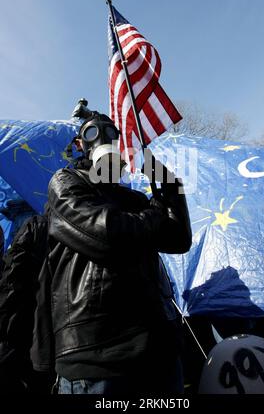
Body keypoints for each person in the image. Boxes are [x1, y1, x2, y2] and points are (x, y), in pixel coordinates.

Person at [31, 111, 192, 396]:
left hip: (157, 349)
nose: (104, 138)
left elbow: (178, 239)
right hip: (97, 354)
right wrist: (153, 215)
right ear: (80, 145)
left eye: (111, 132)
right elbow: (106, 234)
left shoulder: (135, 199)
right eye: (93, 132)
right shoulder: (66, 182)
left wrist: (171, 191)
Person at [0, 213, 54, 393]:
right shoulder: (122, 223)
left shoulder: (38, 225)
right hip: (65, 346)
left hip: (21, 334)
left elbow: (11, 283)